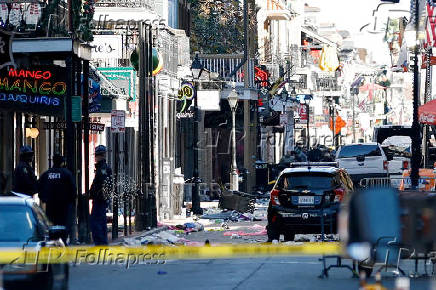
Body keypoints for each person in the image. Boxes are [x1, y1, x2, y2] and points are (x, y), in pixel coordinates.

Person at [38, 154, 76, 242]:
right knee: (63, 224)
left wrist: (44, 199)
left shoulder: (46, 174)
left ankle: (53, 240)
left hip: (50, 205)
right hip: (64, 206)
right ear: (62, 162)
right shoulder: (67, 174)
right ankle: (63, 240)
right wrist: (71, 201)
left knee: (51, 224)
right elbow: (73, 189)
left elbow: (39, 187)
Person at [89, 145, 112, 245]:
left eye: (97, 155)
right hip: (100, 199)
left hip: (100, 199)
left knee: (97, 221)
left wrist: (95, 194)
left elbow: (101, 184)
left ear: (102, 156)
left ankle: (100, 241)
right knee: (100, 220)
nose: (96, 157)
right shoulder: (102, 168)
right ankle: (101, 241)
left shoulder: (102, 169)